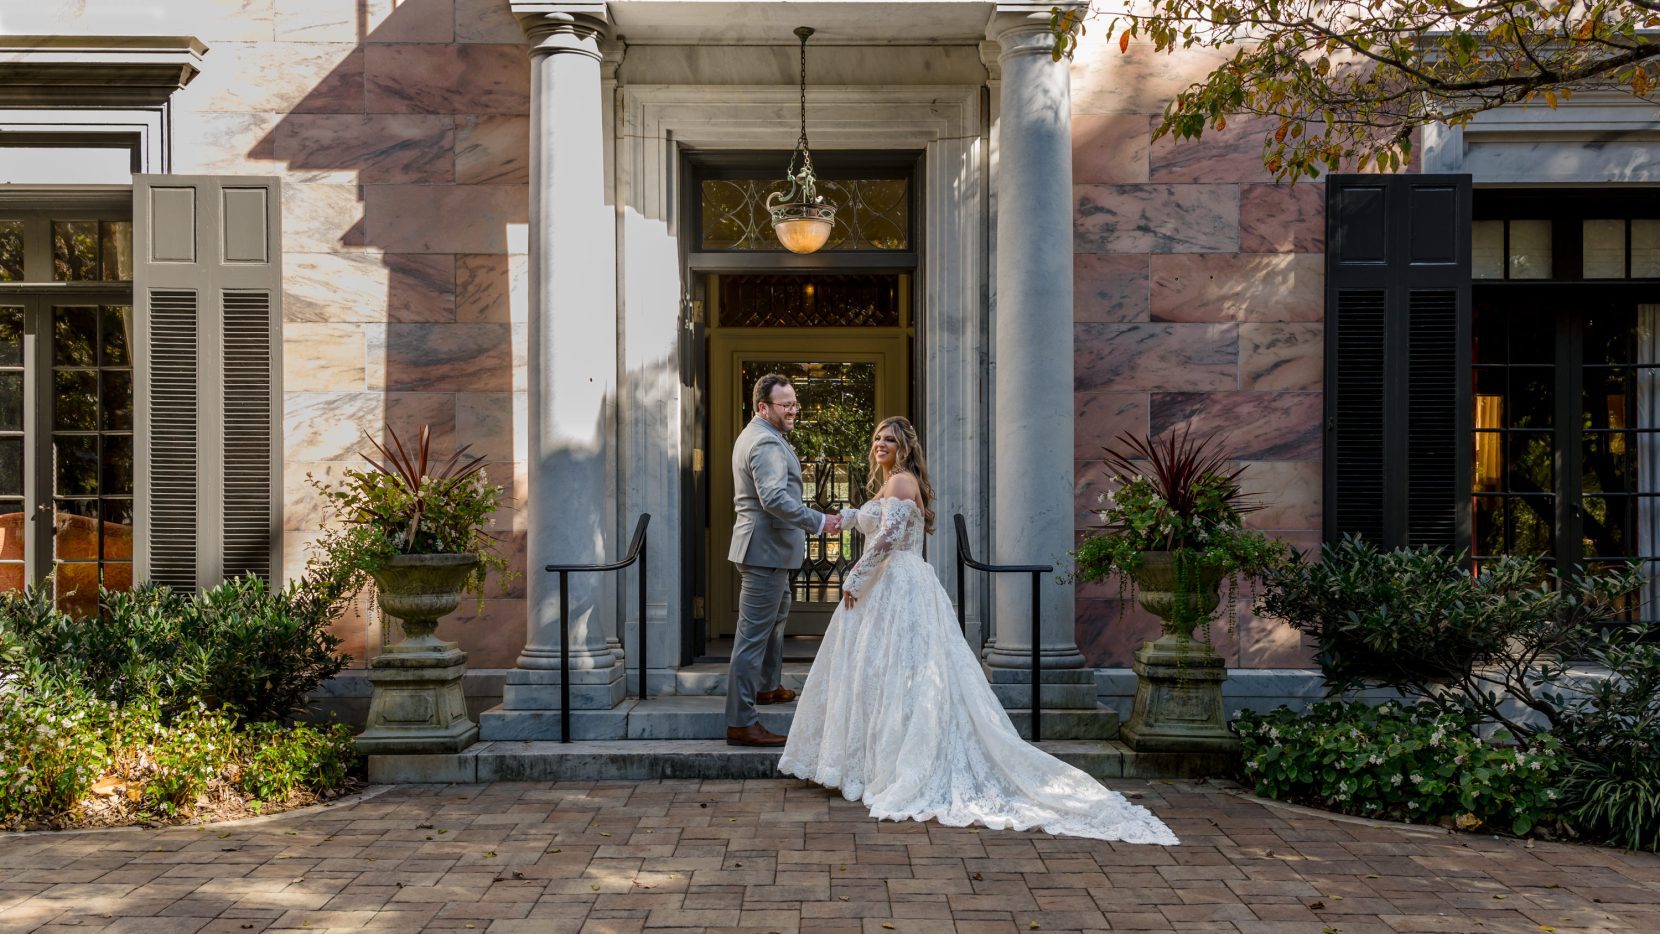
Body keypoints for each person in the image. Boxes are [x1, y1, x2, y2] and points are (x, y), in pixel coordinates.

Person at [778, 416, 1178, 844]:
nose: (880, 443)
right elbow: (874, 521)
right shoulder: (893, 482)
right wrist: (841, 518)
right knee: (891, 674)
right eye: (877, 437)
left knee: (897, 672)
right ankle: (876, 762)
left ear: (905, 447)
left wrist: (854, 577)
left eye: (889, 439)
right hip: (895, 584)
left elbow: (889, 536)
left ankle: (896, 765)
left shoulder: (899, 482)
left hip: (897, 583)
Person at [725, 373, 843, 747]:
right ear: (763, 407)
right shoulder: (764, 442)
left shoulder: (762, 436)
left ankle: (768, 687)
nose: (793, 410)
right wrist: (820, 521)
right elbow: (774, 500)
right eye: (785, 405)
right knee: (752, 637)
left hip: (771, 551)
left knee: (774, 623)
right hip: (765, 552)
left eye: (795, 404)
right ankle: (741, 722)